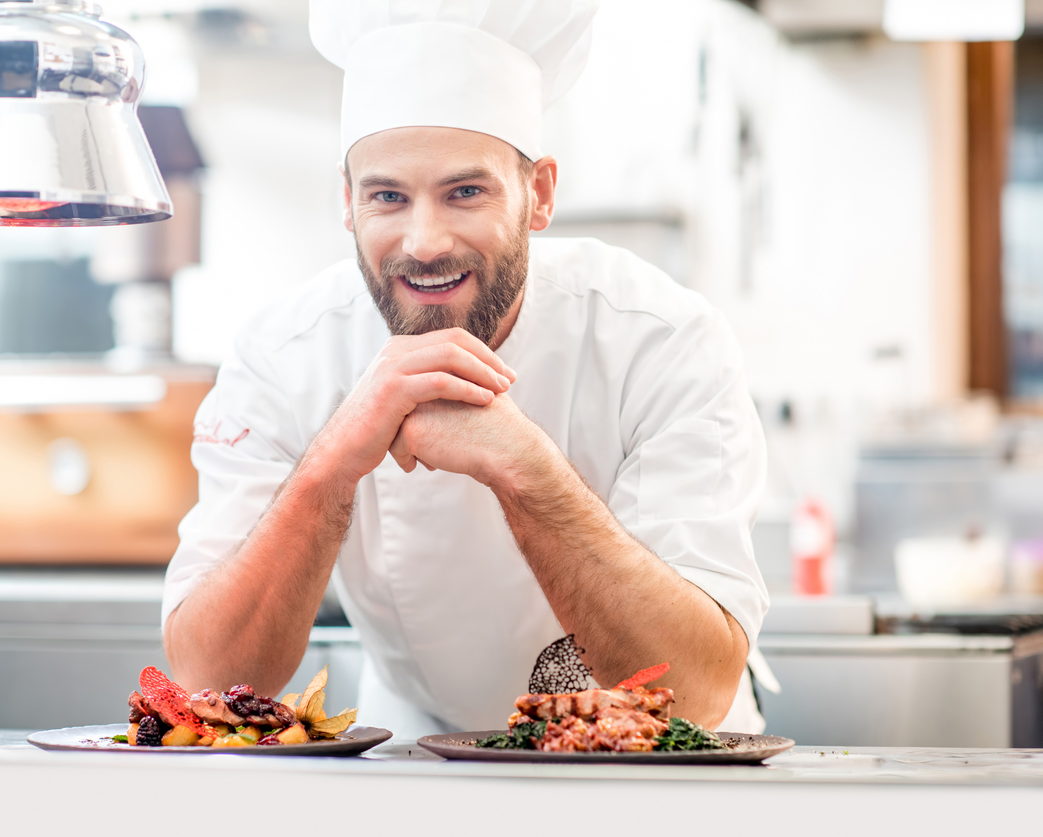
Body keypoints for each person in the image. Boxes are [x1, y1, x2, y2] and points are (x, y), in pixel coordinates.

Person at [163, 0, 771, 738]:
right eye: (387, 195)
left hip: (655, 761)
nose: (423, 241)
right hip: (426, 751)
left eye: (465, 192)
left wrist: (527, 469)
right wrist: (332, 464)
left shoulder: (660, 338)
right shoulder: (286, 355)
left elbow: (698, 688)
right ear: (347, 203)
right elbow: (204, 676)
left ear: (539, 194)